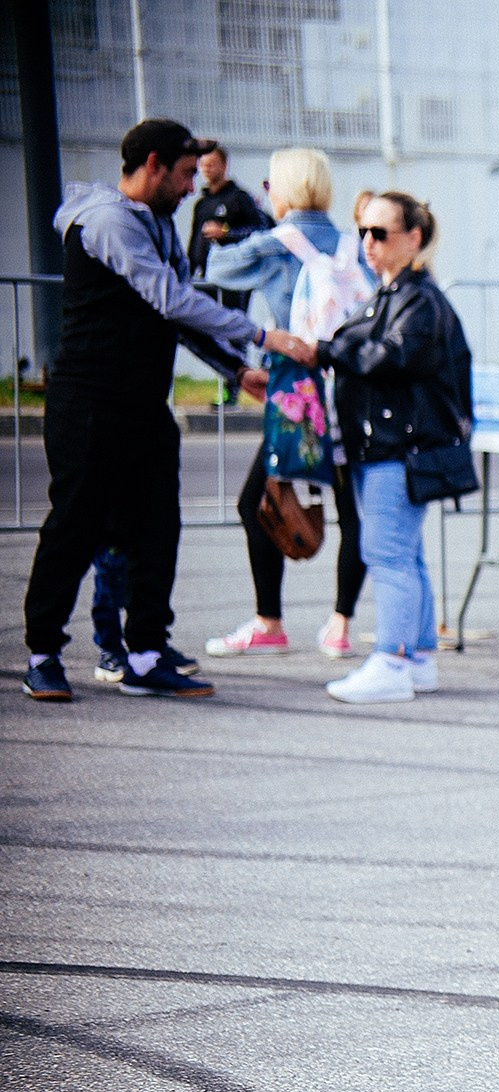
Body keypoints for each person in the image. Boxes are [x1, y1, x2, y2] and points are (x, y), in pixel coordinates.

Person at [21, 118, 304, 705]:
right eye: (181, 175)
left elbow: (171, 318)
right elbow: (170, 297)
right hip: (90, 401)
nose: (188, 188)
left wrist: (234, 369)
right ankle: (43, 653)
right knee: (76, 525)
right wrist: (261, 336)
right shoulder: (106, 222)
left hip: (144, 405)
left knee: (157, 528)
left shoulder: (158, 223)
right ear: (151, 164)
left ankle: (146, 654)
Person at [201, 146, 367, 663]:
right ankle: (340, 625)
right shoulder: (353, 245)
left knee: (257, 501)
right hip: (353, 393)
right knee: (352, 512)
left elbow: (215, 268)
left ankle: (269, 620)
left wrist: (243, 224)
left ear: (282, 190)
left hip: (299, 395)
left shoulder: (275, 245)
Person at [315, 191, 471, 705]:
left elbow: (388, 357)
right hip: (394, 446)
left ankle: (393, 659)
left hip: (397, 448)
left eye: (380, 233)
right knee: (404, 555)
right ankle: (416, 656)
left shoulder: (418, 300)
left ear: (414, 238)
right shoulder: (395, 294)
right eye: (363, 231)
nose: (368, 242)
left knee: (388, 555)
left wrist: (325, 350)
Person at [187, 140, 270, 313]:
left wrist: (226, 233)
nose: (206, 169)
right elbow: (194, 241)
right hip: (206, 279)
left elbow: (260, 230)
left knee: (233, 327)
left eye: (211, 164)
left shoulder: (240, 198)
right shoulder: (202, 204)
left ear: (224, 166)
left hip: (234, 280)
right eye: (202, 165)